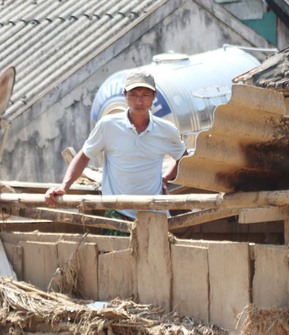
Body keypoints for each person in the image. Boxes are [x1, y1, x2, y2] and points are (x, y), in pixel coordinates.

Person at [44, 69, 187, 221]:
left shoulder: (166, 130)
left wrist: (164, 179)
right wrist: (64, 187)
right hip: (118, 215)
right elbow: (84, 157)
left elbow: (183, 159)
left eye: (145, 95)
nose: (139, 101)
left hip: (154, 214)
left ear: (154, 96)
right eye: (133, 95)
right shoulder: (108, 125)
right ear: (125, 95)